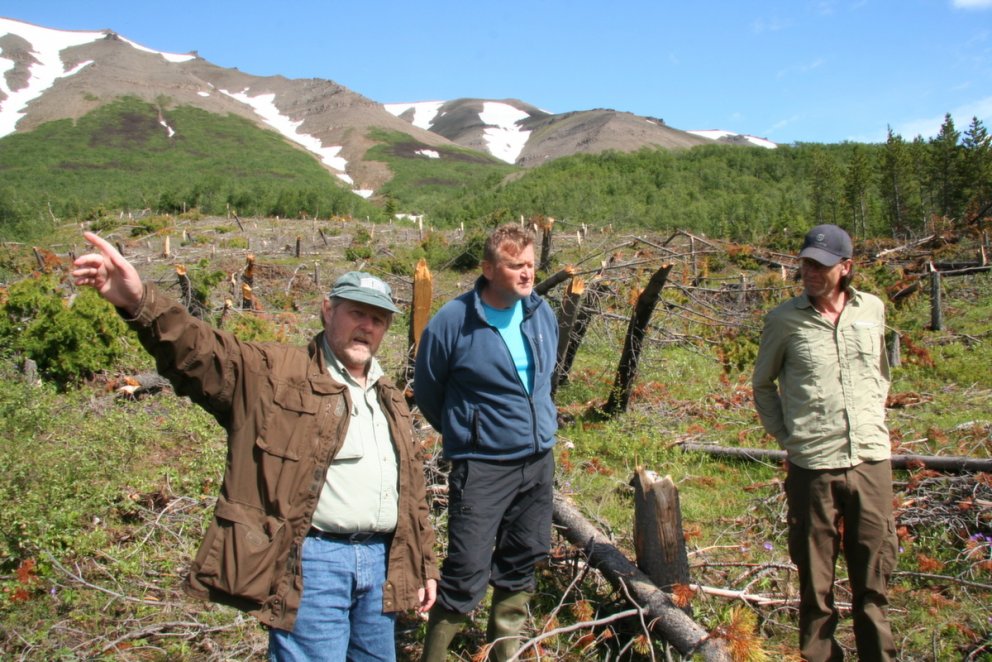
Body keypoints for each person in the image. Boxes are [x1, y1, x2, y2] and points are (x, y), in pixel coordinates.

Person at [72, 231, 438, 661]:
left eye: (378, 319)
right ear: (327, 310)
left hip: (383, 564)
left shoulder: (389, 396)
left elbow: (411, 493)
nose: (367, 327)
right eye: (357, 313)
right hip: (314, 562)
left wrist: (425, 565)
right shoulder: (275, 374)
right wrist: (138, 300)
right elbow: (202, 352)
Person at [752, 224, 898, 662]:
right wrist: (788, 436)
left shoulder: (871, 309)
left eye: (821, 265)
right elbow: (763, 385)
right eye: (806, 263)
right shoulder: (783, 320)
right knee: (815, 584)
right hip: (813, 466)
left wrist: (873, 417)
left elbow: (882, 372)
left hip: (871, 462)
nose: (810, 272)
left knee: (873, 580)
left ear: (846, 268)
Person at [413, 224, 558, 661]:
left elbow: (547, 377)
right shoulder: (454, 320)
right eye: (516, 265)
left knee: (520, 564)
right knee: (466, 571)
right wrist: (470, 432)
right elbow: (428, 390)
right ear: (489, 268)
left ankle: (503, 653)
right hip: (482, 466)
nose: (527, 274)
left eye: (531, 264)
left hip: (537, 461)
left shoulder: (540, 313)